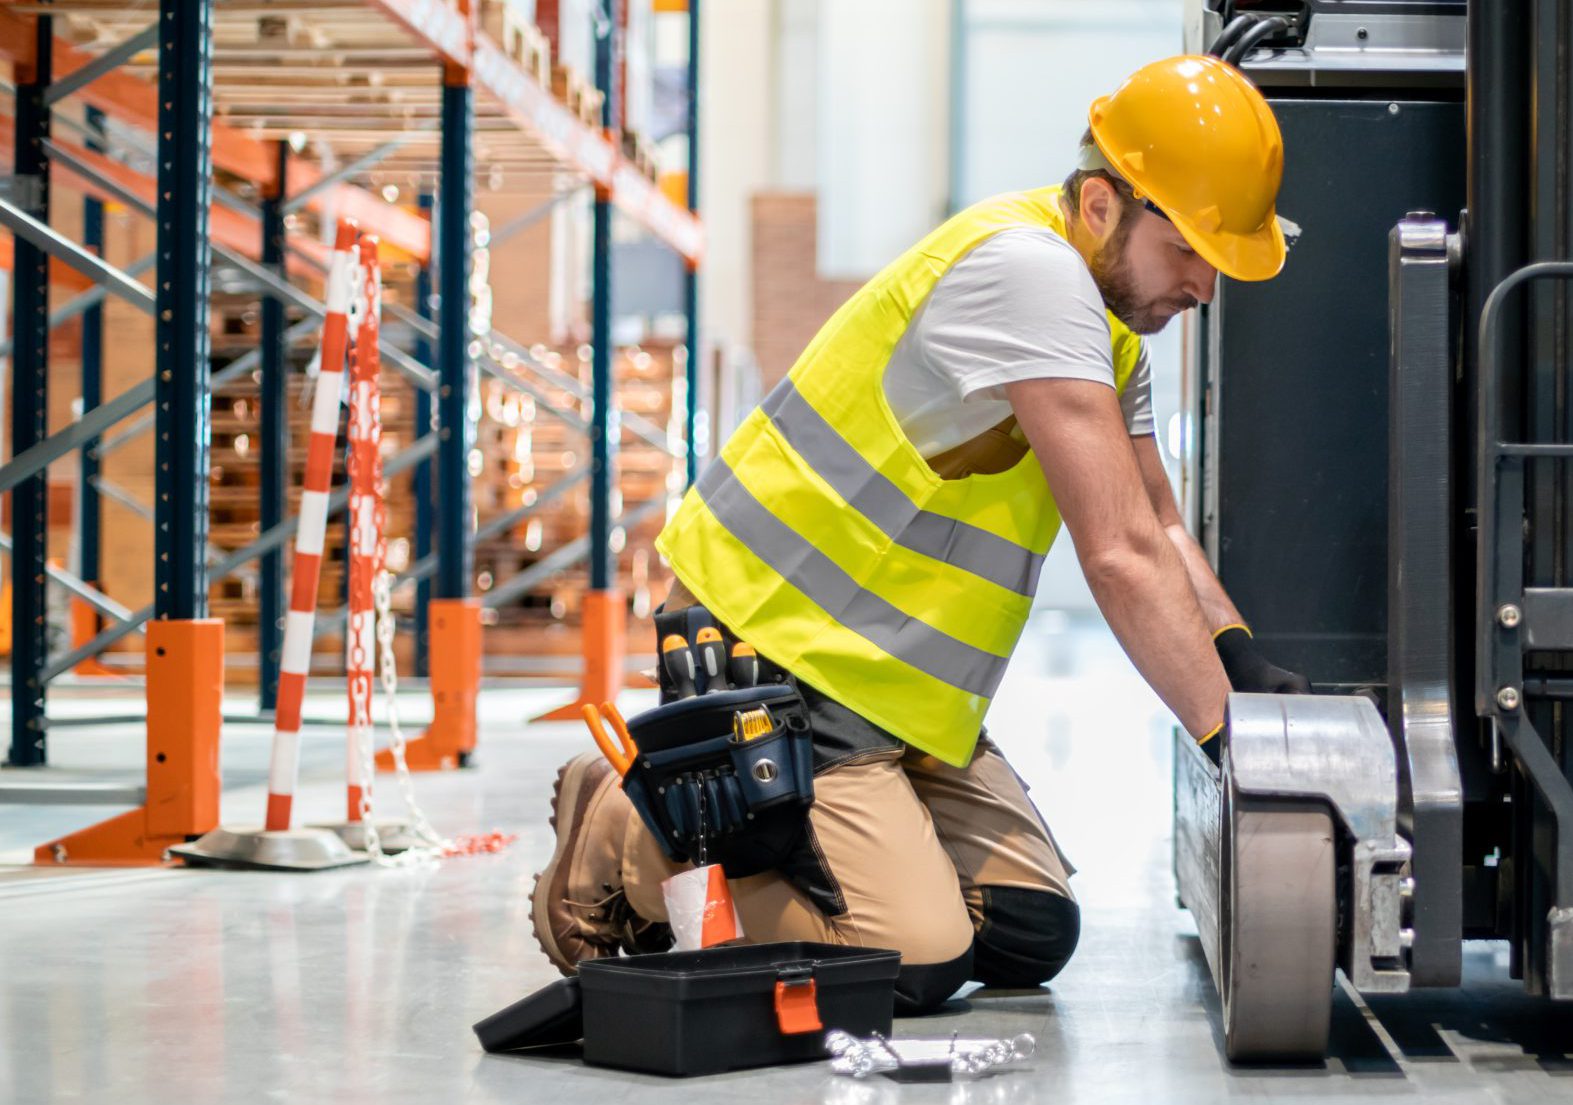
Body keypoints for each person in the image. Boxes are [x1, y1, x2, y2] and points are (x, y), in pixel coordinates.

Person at [528, 53, 1309, 1013]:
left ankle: (824, 834)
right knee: (915, 956)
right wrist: (1226, 737)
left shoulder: (1109, 332)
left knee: (1027, 926)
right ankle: (623, 830)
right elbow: (1118, 554)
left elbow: (1159, 524)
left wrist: (1240, 666)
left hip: (897, 695)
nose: (1206, 285)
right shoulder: (1033, 276)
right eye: (1190, 248)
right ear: (1104, 204)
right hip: (780, 650)